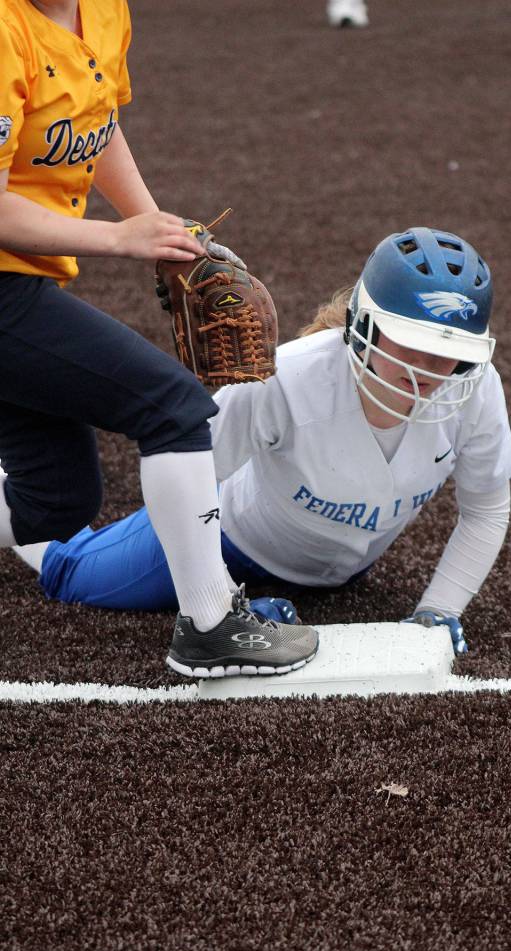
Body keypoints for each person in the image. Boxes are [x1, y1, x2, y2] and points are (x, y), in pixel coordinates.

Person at [17, 226, 511, 655]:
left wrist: (438, 610)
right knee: (70, 577)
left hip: (338, 570)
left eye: (450, 351)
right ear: (362, 324)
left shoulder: (476, 390)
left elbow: (486, 510)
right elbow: (192, 478)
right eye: (412, 342)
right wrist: (217, 600)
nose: (429, 369)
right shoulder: (287, 377)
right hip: (227, 536)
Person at [0, 0, 318, 677]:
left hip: (22, 284)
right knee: (171, 409)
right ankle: (209, 625)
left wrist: (156, 227)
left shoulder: (102, 11)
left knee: (57, 500)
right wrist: (119, 237)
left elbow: (98, 121)